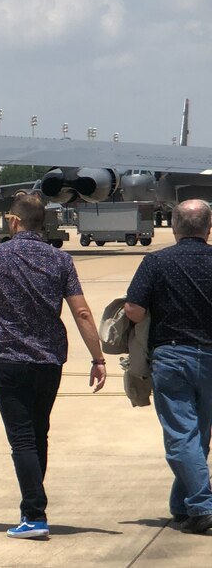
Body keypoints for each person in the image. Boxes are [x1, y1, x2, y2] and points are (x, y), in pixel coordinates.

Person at [0, 193, 107, 540]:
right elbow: (82, 312)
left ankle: (34, 513)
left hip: (10, 361)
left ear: (14, 222)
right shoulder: (61, 260)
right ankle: (33, 506)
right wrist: (98, 357)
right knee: (38, 433)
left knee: (23, 439)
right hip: (49, 361)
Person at [123, 199, 212, 534]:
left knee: (181, 436)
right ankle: (184, 505)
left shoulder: (157, 262)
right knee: (198, 435)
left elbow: (133, 308)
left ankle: (203, 506)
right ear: (208, 227)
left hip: (173, 357)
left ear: (174, 227)